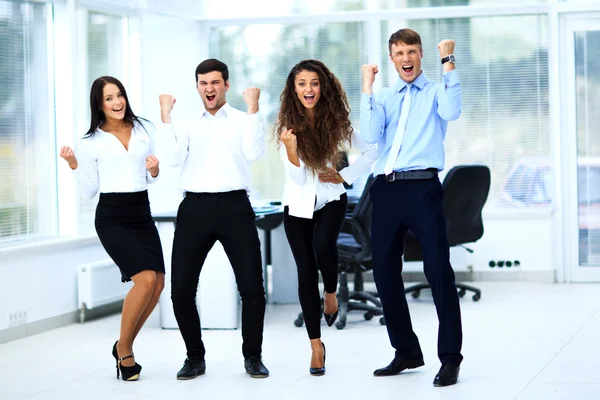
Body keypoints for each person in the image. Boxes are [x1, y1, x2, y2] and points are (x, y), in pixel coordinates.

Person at [359, 28, 463, 387]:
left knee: (438, 272)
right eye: (400, 53)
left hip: (422, 188)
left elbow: (453, 110)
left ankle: (450, 358)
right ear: (392, 59)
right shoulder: (384, 96)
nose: (406, 58)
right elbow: (371, 135)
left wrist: (448, 62)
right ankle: (406, 351)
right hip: (384, 191)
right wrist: (367, 89)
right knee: (385, 273)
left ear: (421, 56)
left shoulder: (437, 91)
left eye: (413, 52)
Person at [158, 58, 269, 380]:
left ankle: (253, 357)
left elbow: (254, 153)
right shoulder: (187, 123)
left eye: (215, 83)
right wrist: (166, 117)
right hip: (194, 209)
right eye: (204, 83)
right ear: (197, 87)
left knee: (252, 288)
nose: (210, 88)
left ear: (226, 85)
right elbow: (174, 158)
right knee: (180, 291)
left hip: (236, 207)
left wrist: (253, 109)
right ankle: (195, 358)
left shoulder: (241, 119)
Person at [275, 59, 377, 376]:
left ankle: (330, 292)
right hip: (297, 204)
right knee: (305, 272)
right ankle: (316, 345)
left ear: (323, 87)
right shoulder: (286, 127)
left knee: (324, 247)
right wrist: (291, 150)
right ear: (294, 89)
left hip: (332, 198)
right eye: (302, 83)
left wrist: (346, 176)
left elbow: (373, 148)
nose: (309, 89)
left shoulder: (338, 121)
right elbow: (300, 180)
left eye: (314, 83)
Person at [59, 76, 165, 382]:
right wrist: (73, 165)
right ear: (99, 104)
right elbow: (90, 191)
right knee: (144, 280)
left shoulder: (144, 129)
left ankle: (122, 345)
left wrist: (155, 169)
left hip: (141, 212)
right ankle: (126, 350)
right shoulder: (89, 142)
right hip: (112, 217)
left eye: (119, 95)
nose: (117, 102)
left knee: (157, 285)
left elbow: (152, 175)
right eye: (109, 98)